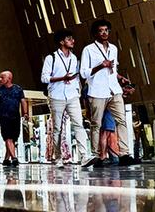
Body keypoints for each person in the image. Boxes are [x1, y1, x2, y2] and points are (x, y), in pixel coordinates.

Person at [80, 19, 137, 167]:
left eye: (106, 30)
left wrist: (120, 78)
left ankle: (124, 154)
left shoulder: (113, 48)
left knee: (121, 120)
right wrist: (100, 66)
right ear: (95, 33)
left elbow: (113, 69)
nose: (104, 33)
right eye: (101, 31)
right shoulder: (88, 50)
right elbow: (84, 73)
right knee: (96, 124)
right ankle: (96, 155)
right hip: (97, 91)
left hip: (114, 89)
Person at [42, 30, 91, 167]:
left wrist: (77, 91)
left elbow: (76, 77)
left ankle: (84, 156)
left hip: (72, 95)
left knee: (79, 124)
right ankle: (58, 158)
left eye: (72, 38)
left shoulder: (74, 58)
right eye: (69, 39)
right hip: (56, 95)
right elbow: (44, 78)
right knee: (57, 128)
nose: (72, 41)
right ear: (61, 42)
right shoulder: (51, 58)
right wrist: (62, 78)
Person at [0, 70, 28, 167]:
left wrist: (25, 113)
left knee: (13, 137)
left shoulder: (18, 89)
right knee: (7, 137)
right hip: (4, 117)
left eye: (2, 77)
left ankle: (6, 159)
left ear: (9, 78)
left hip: (15, 117)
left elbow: (23, 101)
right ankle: (14, 158)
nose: (0, 79)